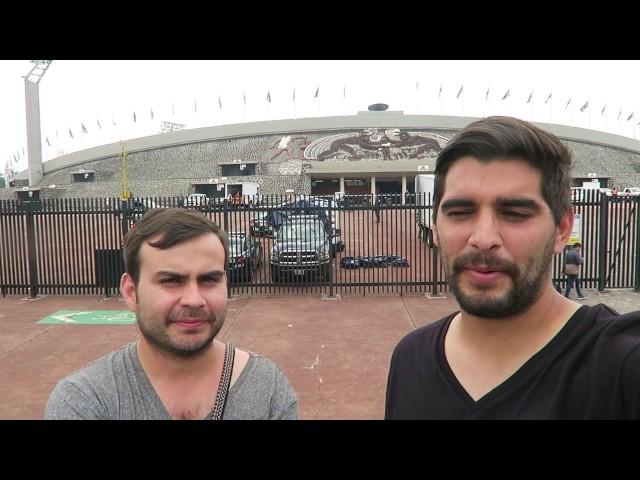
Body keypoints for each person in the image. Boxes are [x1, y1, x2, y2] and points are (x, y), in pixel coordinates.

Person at [385, 116, 640, 419]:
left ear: (561, 229)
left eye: (515, 213)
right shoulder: (409, 358)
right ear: (435, 228)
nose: (483, 239)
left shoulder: (619, 365)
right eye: (460, 212)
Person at [45, 208, 298, 420]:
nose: (194, 300)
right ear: (131, 292)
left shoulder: (267, 389)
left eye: (209, 279)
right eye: (171, 280)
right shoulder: (85, 401)